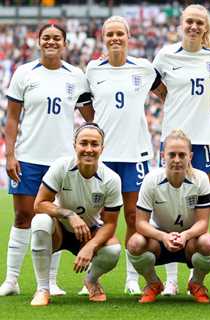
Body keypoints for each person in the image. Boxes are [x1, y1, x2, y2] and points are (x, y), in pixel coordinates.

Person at [0, 23, 94, 297]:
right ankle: (12, 279)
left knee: (54, 220)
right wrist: (10, 154)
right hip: (28, 158)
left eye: (57, 38)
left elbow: (90, 116)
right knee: (22, 216)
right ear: (38, 42)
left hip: (62, 163)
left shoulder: (76, 76)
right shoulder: (24, 73)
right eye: (46, 38)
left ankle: (51, 280)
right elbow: (13, 117)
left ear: (65, 43)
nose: (51, 42)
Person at [152, 4, 210, 296]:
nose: (194, 27)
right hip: (173, 140)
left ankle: (196, 277)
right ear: (180, 25)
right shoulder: (165, 55)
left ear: (206, 27)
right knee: (169, 210)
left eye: (200, 22)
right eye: (189, 22)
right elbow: (157, 88)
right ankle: (171, 279)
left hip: (205, 140)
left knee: (198, 209)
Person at [85, 15, 162, 295]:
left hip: (135, 153)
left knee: (132, 216)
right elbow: (84, 104)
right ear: (102, 38)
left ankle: (131, 276)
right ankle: (93, 277)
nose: (115, 38)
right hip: (102, 156)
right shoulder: (93, 69)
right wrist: (96, 128)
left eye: (120, 33)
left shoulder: (143, 67)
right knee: (100, 216)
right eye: (110, 34)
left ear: (129, 37)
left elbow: (166, 93)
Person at [29, 123, 122, 306]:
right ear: (75, 145)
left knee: (113, 250)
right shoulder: (61, 167)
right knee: (40, 222)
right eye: (83, 143)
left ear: (102, 148)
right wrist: (69, 214)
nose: (88, 149)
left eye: (94, 144)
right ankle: (42, 289)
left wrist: (91, 246)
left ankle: (91, 281)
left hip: (89, 233)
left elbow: (110, 224)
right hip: (59, 230)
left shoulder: (111, 179)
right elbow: (39, 204)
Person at [126, 129, 210, 304]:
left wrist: (185, 236)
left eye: (182, 155)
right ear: (163, 156)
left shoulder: (201, 179)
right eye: (172, 154)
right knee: (135, 243)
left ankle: (196, 283)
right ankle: (153, 283)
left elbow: (203, 222)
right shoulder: (151, 180)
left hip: (190, 240)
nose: (176, 160)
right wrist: (163, 236)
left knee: (208, 242)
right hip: (159, 240)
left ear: (190, 156)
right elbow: (140, 223)